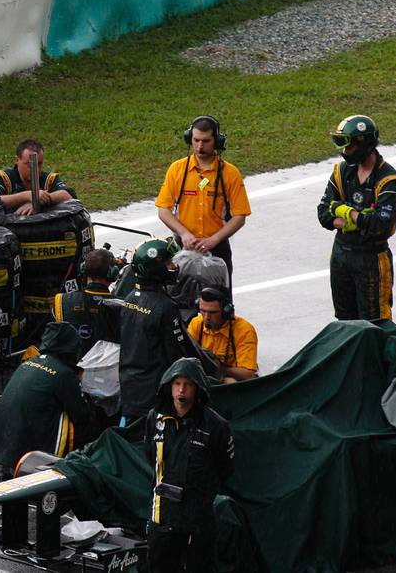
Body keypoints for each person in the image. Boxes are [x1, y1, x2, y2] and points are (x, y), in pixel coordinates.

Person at [145, 357, 234, 573]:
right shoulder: (154, 419)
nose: (181, 390)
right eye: (177, 383)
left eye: (188, 384)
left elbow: (225, 469)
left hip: (198, 518)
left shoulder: (216, 425)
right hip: (162, 515)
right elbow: (149, 455)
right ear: (169, 386)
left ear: (197, 388)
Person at [316, 115, 396, 321]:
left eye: (349, 146)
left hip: (371, 260)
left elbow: (381, 225)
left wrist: (345, 212)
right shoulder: (341, 172)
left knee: (375, 323)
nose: (344, 151)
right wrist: (356, 220)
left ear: (364, 144)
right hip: (341, 256)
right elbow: (323, 213)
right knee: (345, 322)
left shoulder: (389, 181)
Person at [0, 322, 100, 478]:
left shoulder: (29, 362)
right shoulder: (64, 373)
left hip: (1, 439)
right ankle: (78, 467)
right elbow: (80, 415)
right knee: (80, 421)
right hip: (28, 440)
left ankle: (10, 466)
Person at [155, 116, 251, 281]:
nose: (200, 146)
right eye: (196, 140)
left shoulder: (230, 174)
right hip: (183, 247)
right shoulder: (177, 169)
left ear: (217, 141)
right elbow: (163, 210)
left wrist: (214, 239)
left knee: (218, 296)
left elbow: (240, 216)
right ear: (189, 139)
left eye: (206, 141)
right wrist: (184, 234)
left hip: (217, 249)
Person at [118, 238, 190, 424]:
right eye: (169, 263)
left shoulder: (129, 299)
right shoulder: (166, 307)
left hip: (128, 386)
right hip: (154, 393)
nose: (174, 266)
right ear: (155, 269)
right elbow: (177, 354)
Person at [52, 248, 120, 357]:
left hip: (70, 364)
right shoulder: (121, 305)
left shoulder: (61, 301)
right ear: (113, 274)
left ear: (83, 270)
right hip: (107, 365)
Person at [187, 286, 258, 382]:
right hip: (205, 376)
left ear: (226, 311)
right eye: (202, 311)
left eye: (212, 312)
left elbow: (248, 374)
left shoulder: (244, 330)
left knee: (230, 381)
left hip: (233, 380)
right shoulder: (196, 324)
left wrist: (218, 369)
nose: (206, 317)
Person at [0, 138, 75, 215]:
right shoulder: (3, 177)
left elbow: (69, 195)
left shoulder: (49, 179)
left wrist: (39, 201)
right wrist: (26, 196)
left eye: (39, 164)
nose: (36, 169)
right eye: (30, 165)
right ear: (17, 160)